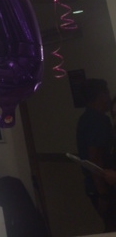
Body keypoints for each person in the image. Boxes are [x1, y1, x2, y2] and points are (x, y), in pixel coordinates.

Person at [76, 78, 116, 231]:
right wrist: (103, 194)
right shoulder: (98, 121)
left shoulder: (85, 119)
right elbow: (95, 159)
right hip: (104, 186)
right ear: (102, 95)